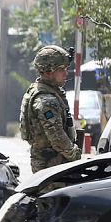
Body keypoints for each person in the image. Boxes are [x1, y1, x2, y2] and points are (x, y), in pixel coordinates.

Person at [20, 45, 82, 173]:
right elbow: (57, 138)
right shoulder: (46, 101)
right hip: (51, 167)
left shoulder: (42, 90)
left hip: (52, 164)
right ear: (48, 71)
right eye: (61, 70)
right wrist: (75, 155)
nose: (66, 73)